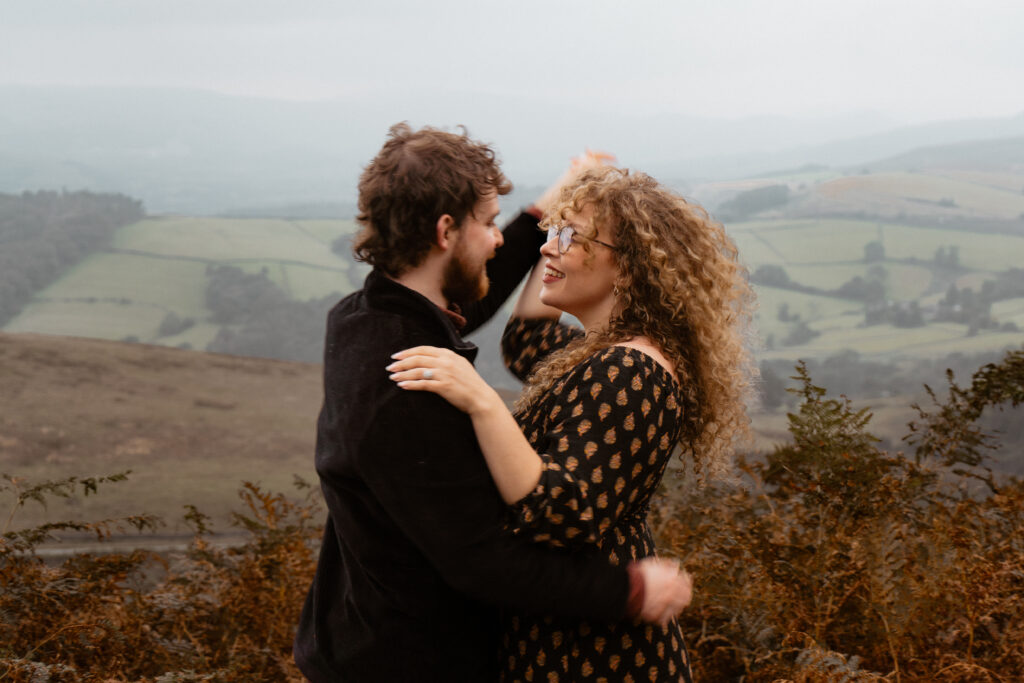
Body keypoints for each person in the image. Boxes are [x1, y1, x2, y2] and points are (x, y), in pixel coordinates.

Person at [293, 125, 695, 682]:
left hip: (565, 654)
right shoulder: (413, 378)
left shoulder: (365, 319)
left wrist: (545, 214)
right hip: (414, 660)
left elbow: (475, 302)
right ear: (444, 231)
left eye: (570, 238)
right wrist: (628, 589)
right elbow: (480, 559)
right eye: (488, 223)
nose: (502, 239)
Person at [389, 165, 756, 681]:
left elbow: (559, 513)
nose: (546, 249)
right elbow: (525, 339)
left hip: (596, 656)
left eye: (569, 238)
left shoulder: (633, 370)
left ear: (628, 267)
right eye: (552, 235)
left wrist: (483, 402)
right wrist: (560, 203)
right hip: (559, 640)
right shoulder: (595, 353)